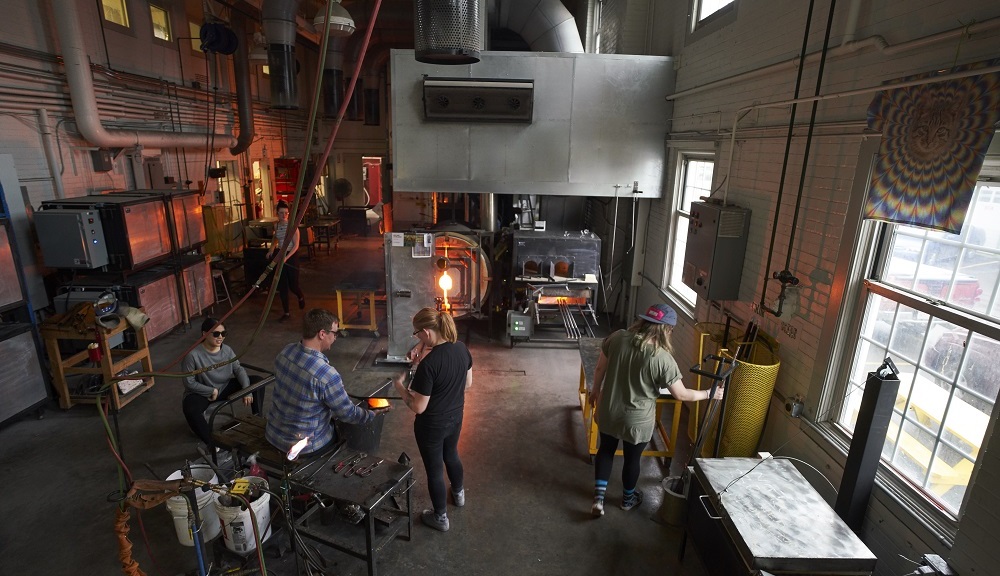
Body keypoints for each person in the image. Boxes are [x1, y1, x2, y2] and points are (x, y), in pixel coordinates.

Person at [589, 303, 724, 517]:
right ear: (667, 329)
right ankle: (627, 499)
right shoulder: (662, 358)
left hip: (609, 410)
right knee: (632, 459)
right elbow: (682, 395)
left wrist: (595, 391)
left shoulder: (617, 337)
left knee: (605, 450)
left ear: (644, 320)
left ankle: (598, 500)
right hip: (637, 420)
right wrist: (709, 393)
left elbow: (599, 368)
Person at [266, 308, 388, 457]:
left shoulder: (286, 352)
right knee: (343, 429)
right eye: (335, 333)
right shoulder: (327, 375)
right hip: (304, 448)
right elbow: (348, 414)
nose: (335, 338)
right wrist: (371, 415)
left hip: (273, 435)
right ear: (322, 334)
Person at [393, 307, 472, 533]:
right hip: (455, 417)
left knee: (435, 470)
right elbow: (467, 384)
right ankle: (458, 494)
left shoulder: (429, 365)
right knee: (452, 454)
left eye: (417, 333)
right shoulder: (462, 349)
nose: (416, 337)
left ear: (426, 332)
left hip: (431, 426)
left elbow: (419, 406)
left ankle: (440, 518)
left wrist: (399, 385)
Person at [181, 317, 263, 448]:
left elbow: (238, 369)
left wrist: (247, 389)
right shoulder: (192, 356)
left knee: (257, 382)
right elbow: (189, 383)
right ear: (204, 334)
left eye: (223, 333)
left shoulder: (227, 350)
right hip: (203, 392)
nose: (220, 337)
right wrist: (210, 391)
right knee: (190, 408)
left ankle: (257, 421)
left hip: (224, 386)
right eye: (216, 334)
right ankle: (212, 443)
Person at [268, 201, 306, 322]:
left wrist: (286, 257)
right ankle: (286, 312)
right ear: (277, 213)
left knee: (293, 285)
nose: (284, 215)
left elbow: (296, 245)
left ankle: (300, 296)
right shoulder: (276, 226)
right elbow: (275, 238)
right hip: (281, 255)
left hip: (291, 256)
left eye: (286, 213)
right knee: (282, 286)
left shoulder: (292, 227)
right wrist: (271, 250)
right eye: (281, 213)